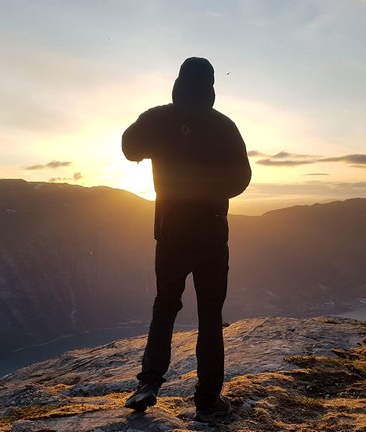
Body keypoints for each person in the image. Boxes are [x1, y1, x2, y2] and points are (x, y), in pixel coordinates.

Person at [122, 57, 251, 421]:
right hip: (211, 233)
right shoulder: (224, 126)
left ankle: (148, 384)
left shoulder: (158, 118)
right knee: (210, 316)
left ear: (178, 83)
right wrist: (207, 190)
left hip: (171, 232)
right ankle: (208, 401)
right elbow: (241, 179)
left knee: (165, 307)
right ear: (211, 87)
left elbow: (130, 148)